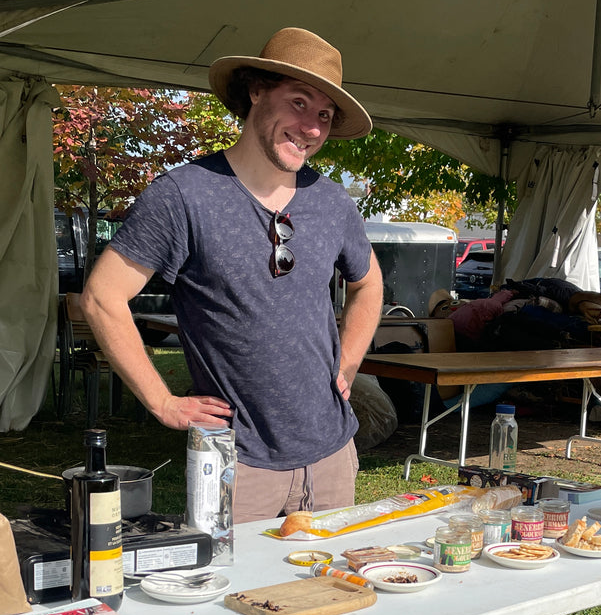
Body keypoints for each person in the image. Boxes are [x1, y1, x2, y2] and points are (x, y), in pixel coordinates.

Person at [82, 27, 384, 523]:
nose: (311, 127)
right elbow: (101, 298)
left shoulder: (332, 202)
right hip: (237, 462)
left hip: (333, 455)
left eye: (325, 116)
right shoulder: (183, 196)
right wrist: (162, 402)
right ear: (256, 90)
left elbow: (368, 282)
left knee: (328, 593)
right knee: (233, 597)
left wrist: (348, 362)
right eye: (299, 103)